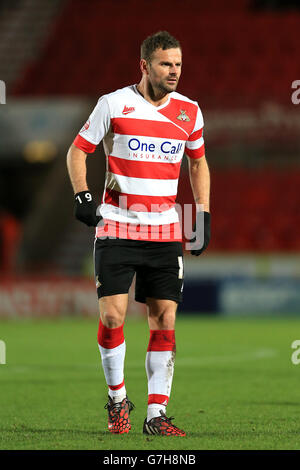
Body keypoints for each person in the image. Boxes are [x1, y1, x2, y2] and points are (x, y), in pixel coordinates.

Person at [66, 31, 210, 437]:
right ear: (144, 65)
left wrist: (203, 214)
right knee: (112, 316)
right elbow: (78, 149)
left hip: (165, 230)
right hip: (116, 224)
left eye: (179, 64)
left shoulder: (189, 112)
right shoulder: (113, 104)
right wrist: (83, 195)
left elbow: (198, 164)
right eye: (166, 64)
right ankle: (117, 402)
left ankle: (156, 415)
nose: (175, 71)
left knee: (164, 320)